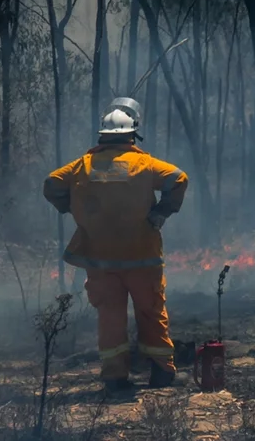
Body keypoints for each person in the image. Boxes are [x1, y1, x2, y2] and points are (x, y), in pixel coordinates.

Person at [42, 97, 189, 392]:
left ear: (102, 136)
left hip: (101, 260)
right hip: (142, 257)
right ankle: (161, 373)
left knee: (110, 319)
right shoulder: (144, 164)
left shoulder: (83, 166)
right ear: (132, 135)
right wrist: (161, 212)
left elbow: (52, 184)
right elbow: (178, 178)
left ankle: (114, 377)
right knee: (151, 313)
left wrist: (74, 208)